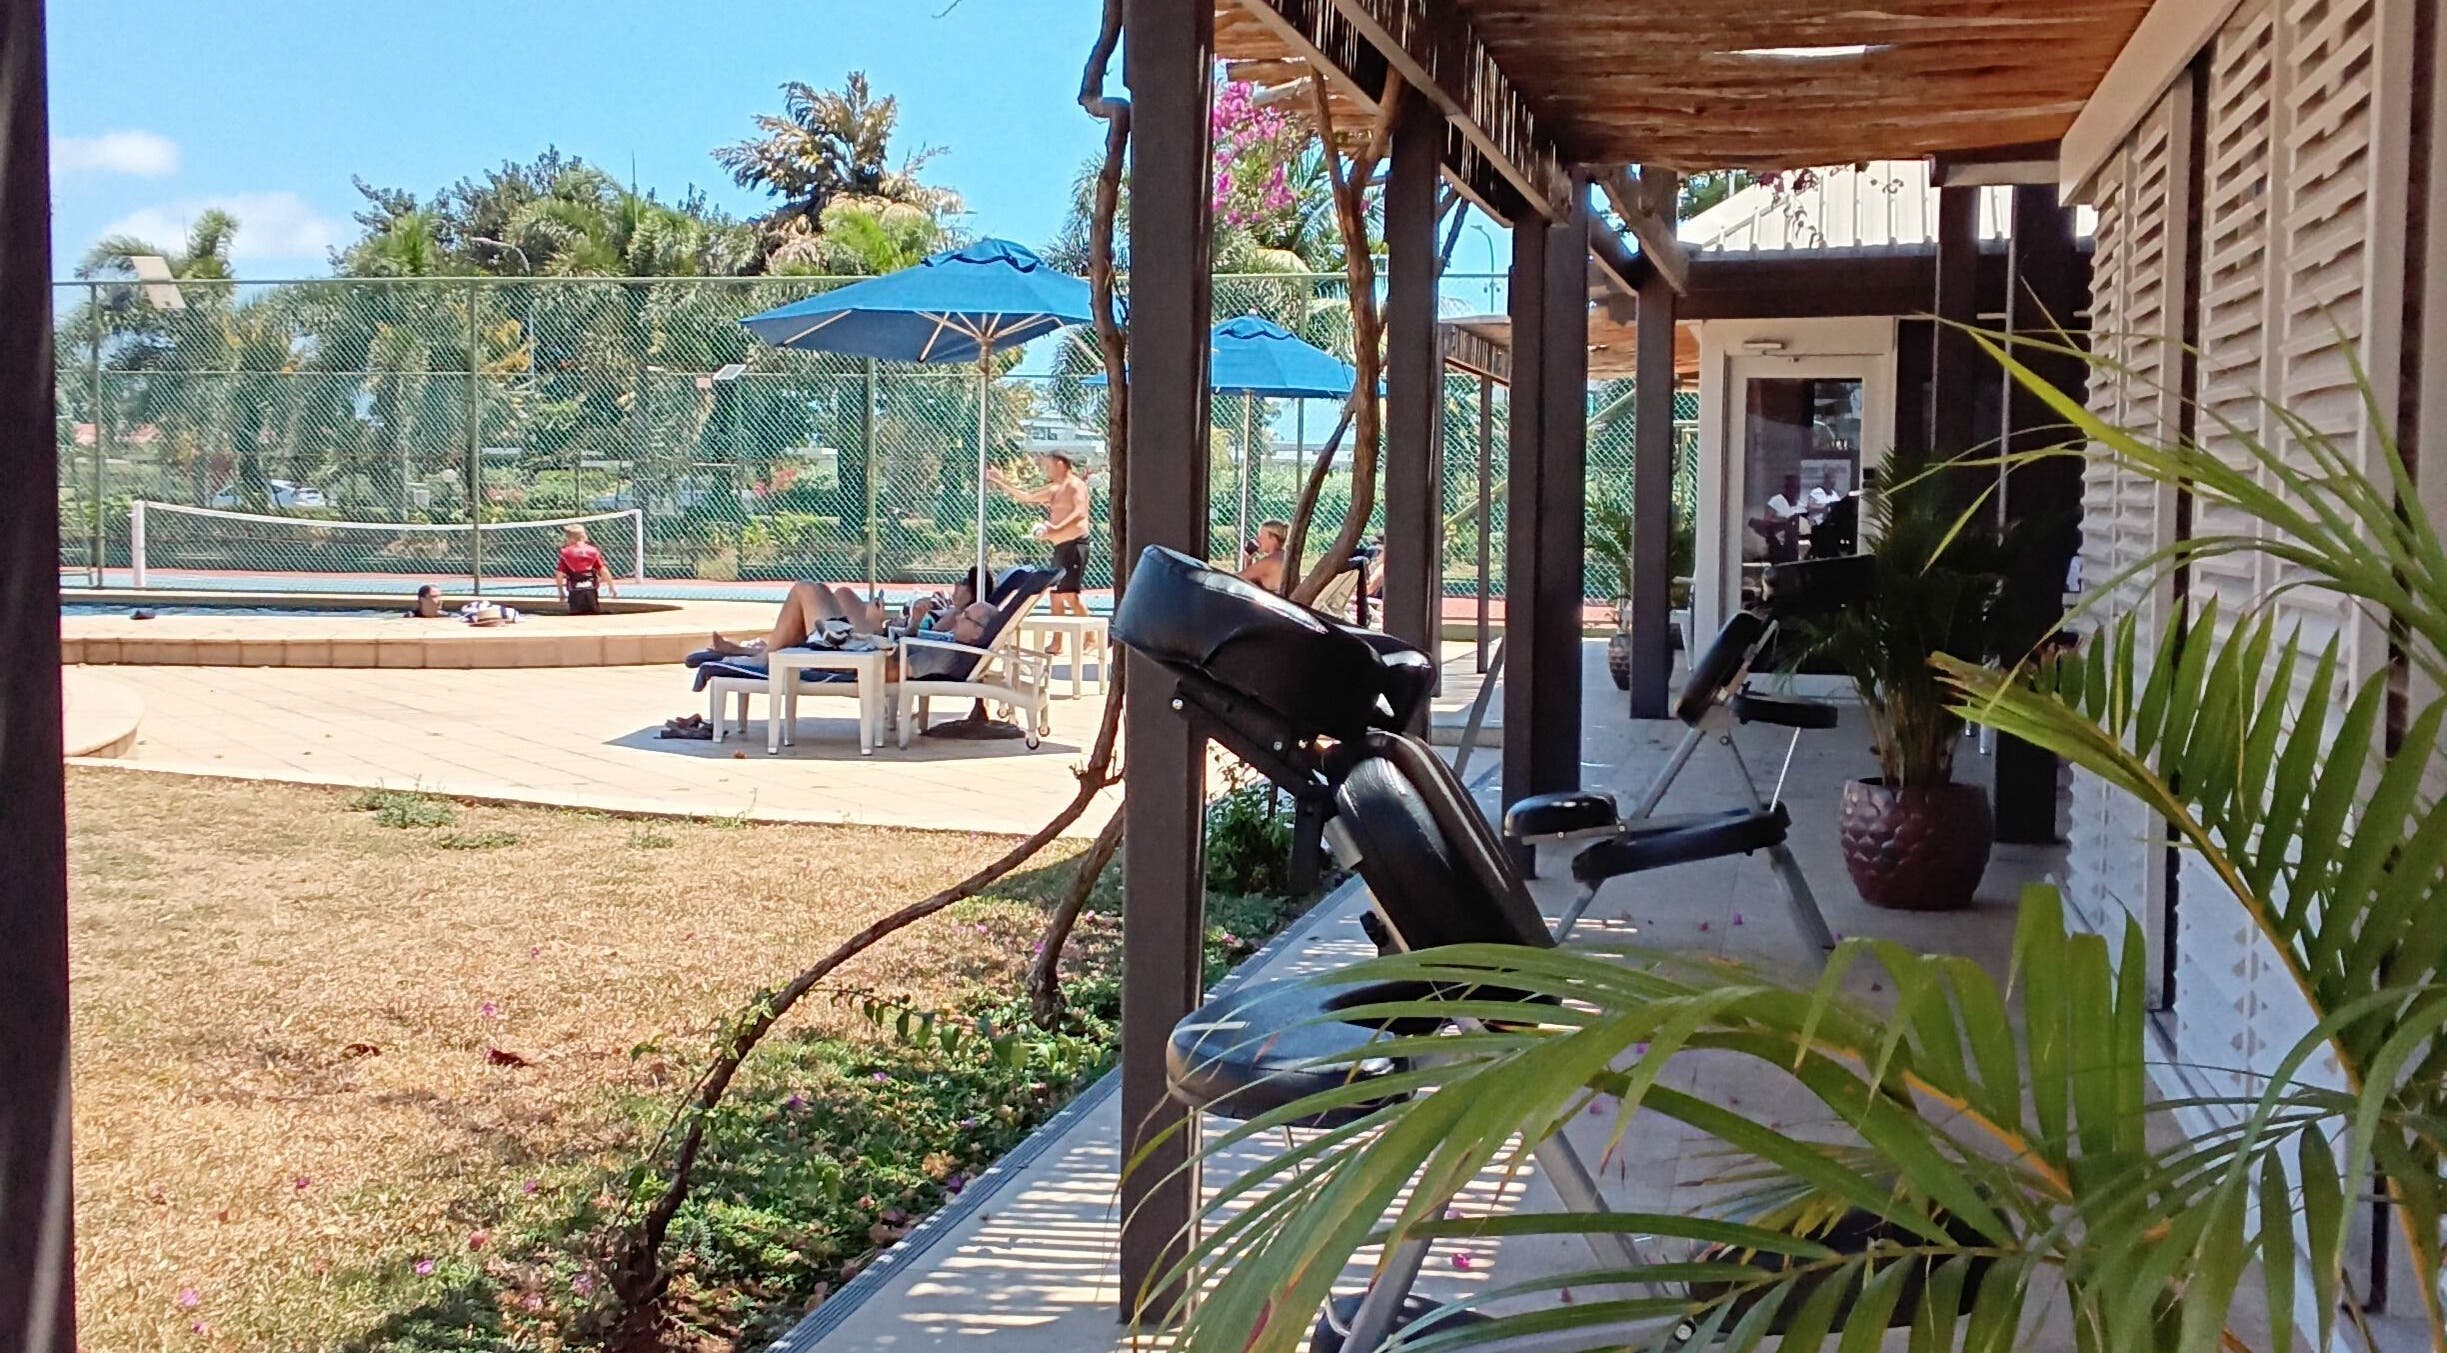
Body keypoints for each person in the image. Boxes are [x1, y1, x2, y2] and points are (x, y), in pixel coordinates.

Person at [989, 452, 1092, 635]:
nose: (1047, 470)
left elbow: (1079, 512)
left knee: (1070, 595)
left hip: (1075, 544)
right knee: (1055, 595)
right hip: (1060, 547)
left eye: (1049, 466)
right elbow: (1026, 497)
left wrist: (1055, 528)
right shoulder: (1054, 489)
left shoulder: (1076, 485)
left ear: (1060, 464)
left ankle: (1091, 636)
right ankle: (1057, 641)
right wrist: (1000, 481)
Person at [706, 582, 886, 659]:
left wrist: (874, 624)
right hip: (862, 639)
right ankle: (764, 652)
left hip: (858, 649)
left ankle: (764, 657)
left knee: (805, 588)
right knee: (838, 592)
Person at [556, 524, 616, 615]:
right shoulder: (593, 550)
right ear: (584, 536)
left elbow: (559, 574)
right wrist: (611, 586)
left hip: (574, 589)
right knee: (594, 612)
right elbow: (603, 570)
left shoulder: (565, 552)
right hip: (591, 588)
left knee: (575, 614)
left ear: (570, 538)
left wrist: (561, 591)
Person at [1237, 519, 1290, 592]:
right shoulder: (1283, 556)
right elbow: (1249, 582)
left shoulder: (1271, 561)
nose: (1258, 539)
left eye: (1261, 536)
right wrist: (1248, 560)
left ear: (1273, 539)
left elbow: (1238, 579)